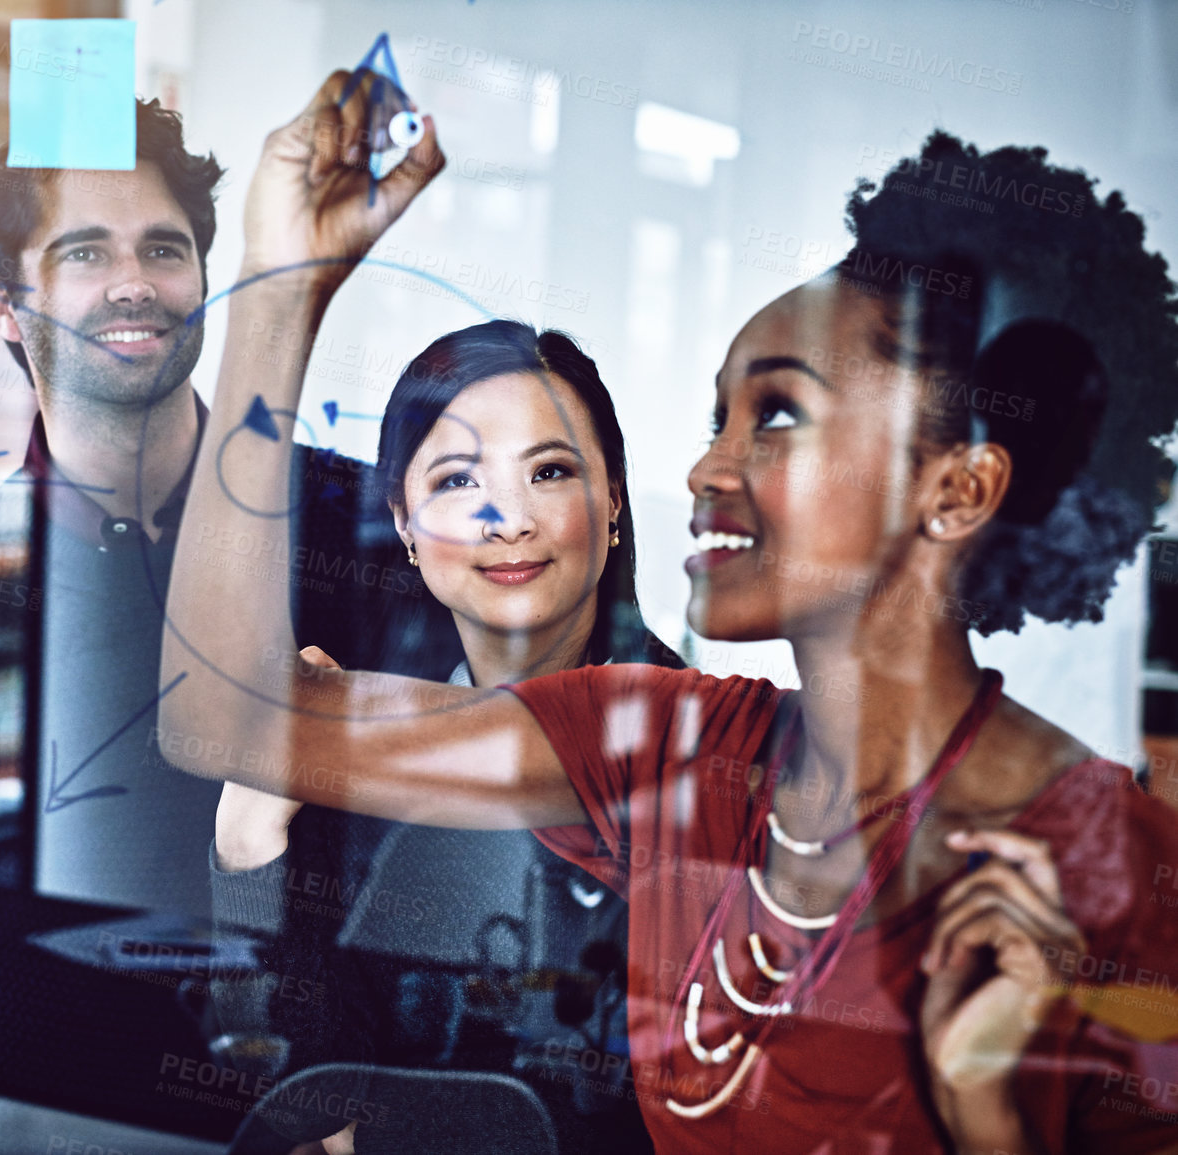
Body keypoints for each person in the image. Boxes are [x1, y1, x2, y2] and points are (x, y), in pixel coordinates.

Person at [161, 72, 1178, 1153]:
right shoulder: (667, 750)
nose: (705, 467)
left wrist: (993, 1128)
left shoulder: (1116, 874)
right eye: (718, 416)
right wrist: (280, 286)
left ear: (955, 490)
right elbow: (220, 717)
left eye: (777, 414)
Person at [0, 98, 443, 1137]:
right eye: (84, 252)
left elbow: (445, 873)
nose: (134, 282)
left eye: (164, 247)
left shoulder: (368, 537)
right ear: (0, 301)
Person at [210, 319, 677, 1154]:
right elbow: (282, 1080)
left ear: (611, 502)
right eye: (460, 480)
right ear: (404, 521)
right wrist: (248, 842)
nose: (507, 521)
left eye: (549, 470)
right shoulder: (359, 743)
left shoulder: (700, 748)